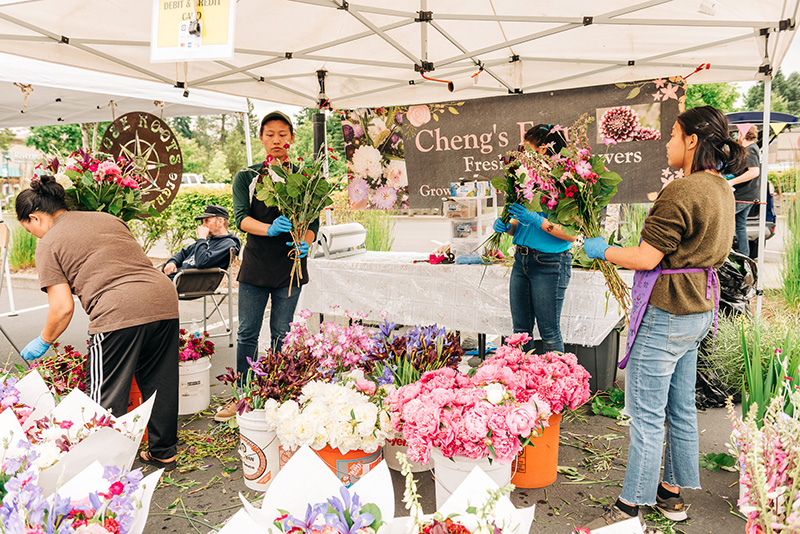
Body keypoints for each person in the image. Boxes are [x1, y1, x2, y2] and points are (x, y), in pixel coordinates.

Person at [578, 106, 744, 530]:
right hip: (699, 311)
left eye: (673, 134)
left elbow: (645, 258)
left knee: (648, 415)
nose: (667, 143)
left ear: (692, 140)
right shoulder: (722, 188)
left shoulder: (682, 191)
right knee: (681, 408)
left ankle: (630, 506)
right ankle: (671, 496)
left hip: (668, 311)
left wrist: (603, 250)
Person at [17, 176, 180, 471]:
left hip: (117, 310)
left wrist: (44, 340)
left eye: (30, 230)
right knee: (160, 381)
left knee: (104, 394)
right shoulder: (106, 218)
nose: (35, 236)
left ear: (34, 217)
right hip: (162, 298)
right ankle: (163, 453)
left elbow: (62, 308)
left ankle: (101, 467)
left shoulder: (49, 243)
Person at [215, 111, 318, 422]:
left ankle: (278, 393)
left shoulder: (305, 180)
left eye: (283, 134)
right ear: (261, 138)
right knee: (247, 332)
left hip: (291, 267)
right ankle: (242, 396)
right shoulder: (247, 176)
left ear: (292, 139)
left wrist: (307, 242)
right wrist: (269, 228)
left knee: (281, 334)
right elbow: (241, 218)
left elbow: (312, 222)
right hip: (256, 266)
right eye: (270, 134)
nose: (277, 140)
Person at [492, 124, 575, 353]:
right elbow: (519, 226)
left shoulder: (566, 182)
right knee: (520, 333)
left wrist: (537, 220)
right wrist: (506, 226)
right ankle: (521, 383)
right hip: (521, 261)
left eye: (529, 150)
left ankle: (556, 385)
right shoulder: (526, 180)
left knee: (549, 333)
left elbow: (571, 233)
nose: (525, 155)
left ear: (545, 150)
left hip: (550, 263)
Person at [162, 204, 241, 278]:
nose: (203, 225)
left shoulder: (228, 244)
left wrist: (202, 238)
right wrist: (172, 262)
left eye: (207, 221)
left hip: (186, 281)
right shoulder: (208, 240)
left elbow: (202, 262)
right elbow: (184, 253)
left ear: (220, 221)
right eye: (203, 222)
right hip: (175, 277)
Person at [727, 125, 760, 256]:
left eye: (738, 133)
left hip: (742, 196)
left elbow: (754, 171)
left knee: (724, 223)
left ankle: (725, 255)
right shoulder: (753, 148)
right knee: (740, 227)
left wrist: (732, 181)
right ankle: (744, 256)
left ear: (742, 134)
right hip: (749, 195)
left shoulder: (750, 150)